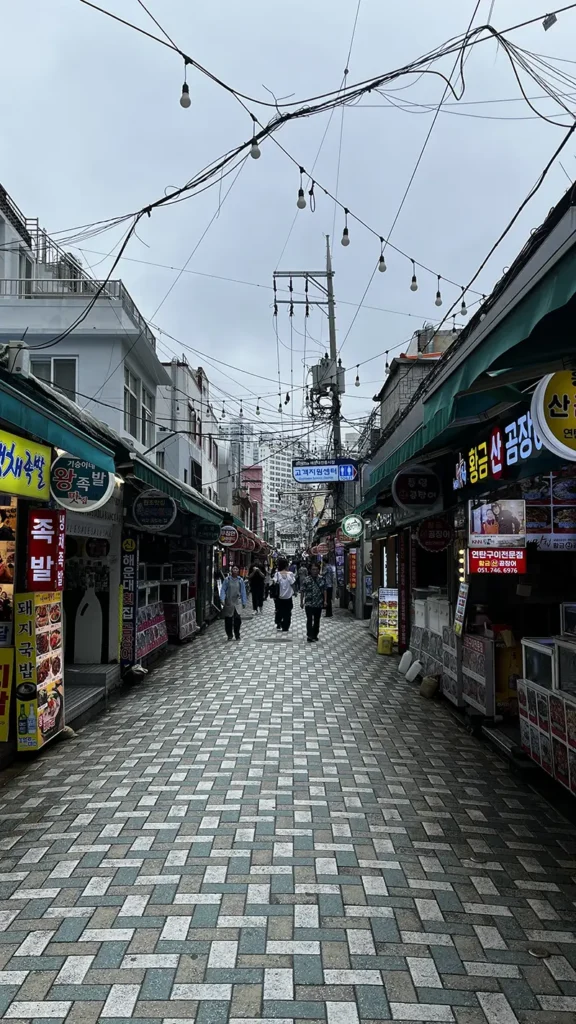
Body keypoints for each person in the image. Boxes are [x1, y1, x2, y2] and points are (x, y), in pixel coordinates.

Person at [220, 565, 247, 641]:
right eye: (234, 568)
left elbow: (243, 592)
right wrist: (222, 599)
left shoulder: (240, 580)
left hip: (237, 602)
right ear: (231, 570)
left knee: (237, 619)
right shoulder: (227, 580)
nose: (235, 570)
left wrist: (244, 602)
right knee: (228, 619)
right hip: (229, 602)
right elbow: (223, 590)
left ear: (238, 571)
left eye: (236, 569)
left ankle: (237, 634)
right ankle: (229, 634)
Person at [300, 562, 325, 642]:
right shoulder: (306, 579)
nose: (315, 571)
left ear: (318, 570)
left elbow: (324, 590)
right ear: (310, 570)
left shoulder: (321, 579)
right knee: (309, 619)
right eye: (313, 569)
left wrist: (325, 601)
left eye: (316, 569)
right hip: (309, 603)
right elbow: (302, 591)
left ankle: (315, 634)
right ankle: (310, 635)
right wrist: (301, 602)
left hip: (318, 602)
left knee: (317, 619)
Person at [273, 557, 296, 632]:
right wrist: (295, 592)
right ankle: (285, 626)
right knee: (288, 612)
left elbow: (274, 583)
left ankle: (278, 621)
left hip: (279, 597)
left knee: (279, 610)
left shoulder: (277, 574)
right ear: (286, 565)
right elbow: (293, 584)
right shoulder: (291, 574)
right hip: (288, 597)